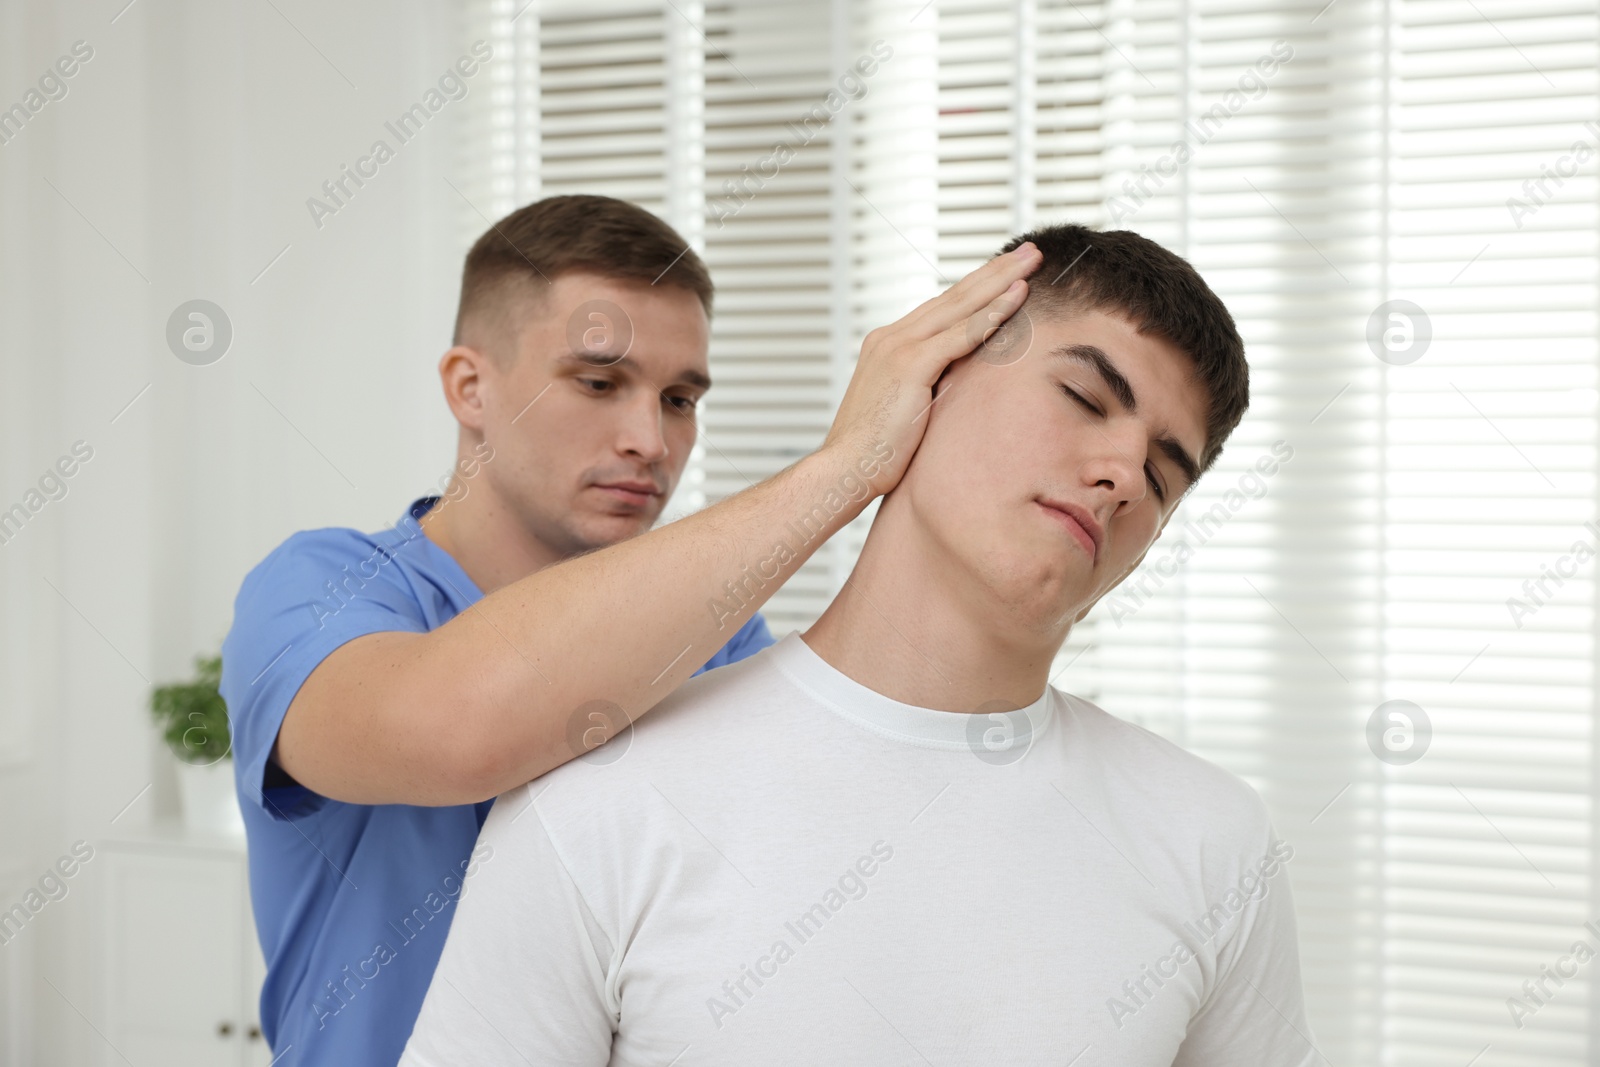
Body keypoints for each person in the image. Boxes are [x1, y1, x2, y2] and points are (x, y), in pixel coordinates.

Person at [399, 223, 1318, 1067]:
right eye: (1082, 397)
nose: (1122, 474)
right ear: (935, 375)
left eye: (1163, 475)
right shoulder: (602, 802)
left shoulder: (1213, 843)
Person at [218, 194, 1042, 1067]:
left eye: (681, 397)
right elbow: (456, 728)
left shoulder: (719, 645)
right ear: (471, 387)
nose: (650, 439)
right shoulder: (319, 588)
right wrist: (843, 469)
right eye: (600, 382)